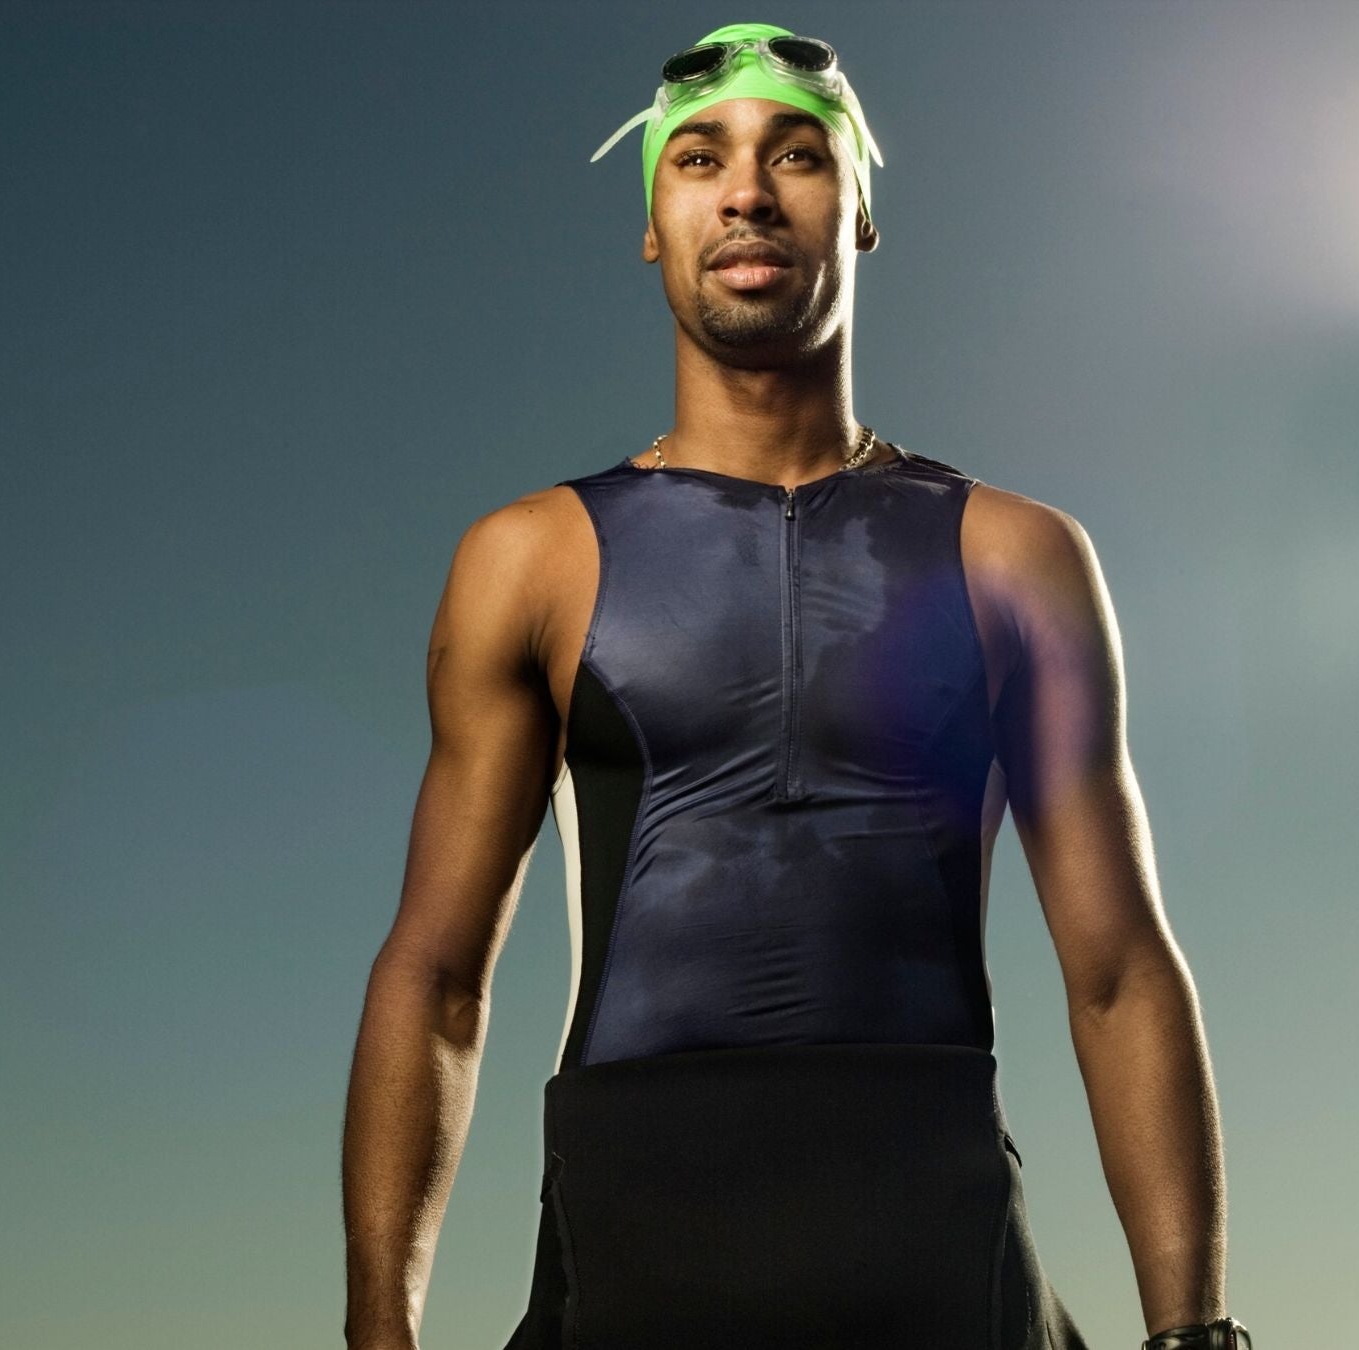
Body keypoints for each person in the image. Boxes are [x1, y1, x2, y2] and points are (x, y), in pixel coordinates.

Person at [339, 23, 1249, 1350]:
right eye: (698, 158)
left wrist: (1194, 1331)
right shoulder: (530, 561)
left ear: (863, 209)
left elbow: (1116, 969)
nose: (747, 191)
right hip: (633, 1250)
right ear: (653, 221)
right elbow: (437, 979)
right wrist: (380, 1330)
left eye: (799, 155)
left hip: (938, 1254)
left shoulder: (1016, 557)